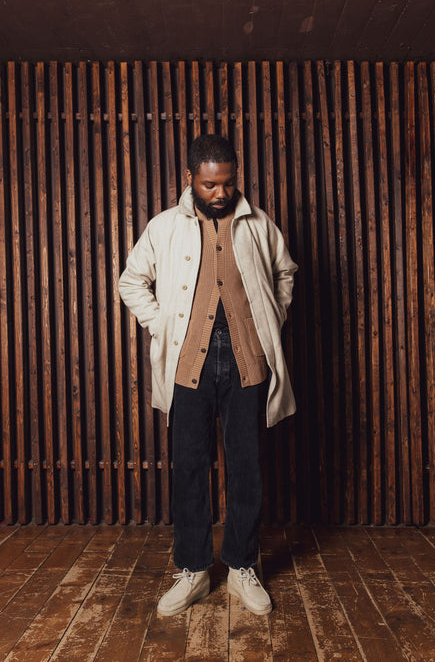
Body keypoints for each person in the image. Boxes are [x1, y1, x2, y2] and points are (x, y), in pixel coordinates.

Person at [119, 134, 297, 617]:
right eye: (210, 184)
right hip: (187, 365)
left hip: (248, 361)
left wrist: (271, 319)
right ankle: (193, 569)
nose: (220, 193)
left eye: (228, 183)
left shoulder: (259, 225)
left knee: (247, 469)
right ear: (191, 179)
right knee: (189, 468)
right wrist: (159, 324)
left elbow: (286, 273)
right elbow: (131, 281)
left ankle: (241, 565)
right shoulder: (163, 227)